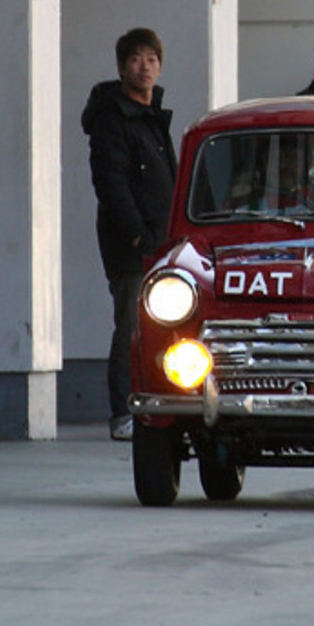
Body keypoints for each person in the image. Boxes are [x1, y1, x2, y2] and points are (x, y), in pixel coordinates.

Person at [81, 28, 177, 439]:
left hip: (163, 241)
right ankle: (123, 413)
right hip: (132, 244)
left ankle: (157, 406)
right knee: (132, 325)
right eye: (136, 59)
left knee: (164, 325)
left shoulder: (153, 114)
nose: (145, 67)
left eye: (152, 59)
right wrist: (137, 234)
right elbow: (110, 182)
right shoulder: (112, 118)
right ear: (121, 67)